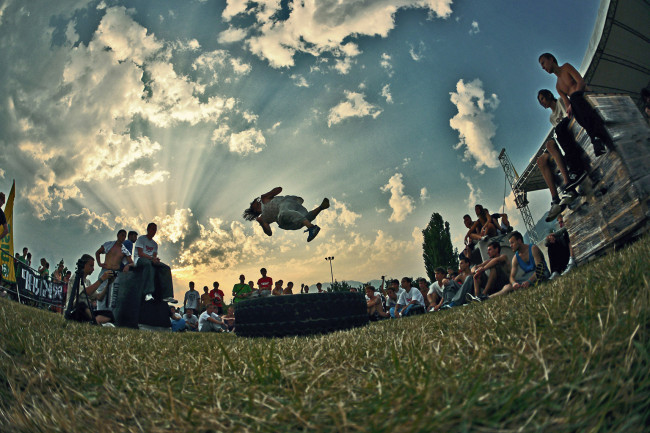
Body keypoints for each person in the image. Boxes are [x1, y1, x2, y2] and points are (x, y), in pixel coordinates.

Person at [539, 53, 613, 157]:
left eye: (543, 63)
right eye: (541, 66)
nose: (543, 67)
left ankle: (595, 137)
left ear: (551, 59)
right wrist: (569, 108)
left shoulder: (566, 67)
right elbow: (566, 102)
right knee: (565, 121)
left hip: (586, 96)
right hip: (577, 105)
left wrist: (573, 99)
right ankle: (593, 140)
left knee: (574, 98)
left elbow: (581, 82)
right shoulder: (558, 86)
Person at [537, 89, 588, 221]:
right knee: (541, 160)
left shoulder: (560, 102)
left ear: (548, 95)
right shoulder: (551, 118)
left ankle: (568, 184)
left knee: (550, 142)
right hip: (562, 141)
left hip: (570, 135)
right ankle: (554, 199)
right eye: (539, 101)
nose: (541, 102)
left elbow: (571, 118)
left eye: (542, 98)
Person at [243, 186, 330, 242]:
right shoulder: (263, 219)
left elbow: (279, 189)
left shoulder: (264, 199)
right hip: (290, 216)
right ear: (256, 211)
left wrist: (269, 194)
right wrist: (262, 224)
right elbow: (269, 233)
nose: (258, 204)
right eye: (256, 205)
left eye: (258, 203)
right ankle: (322, 207)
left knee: (283, 213)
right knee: (298, 222)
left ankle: (311, 228)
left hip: (287, 203)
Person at [490, 231, 550, 298]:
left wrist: (529, 281)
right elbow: (511, 277)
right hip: (528, 277)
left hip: (541, 275)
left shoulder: (533, 249)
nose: (510, 246)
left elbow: (540, 269)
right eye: (510, 243)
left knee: (539, 276)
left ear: (519, 241)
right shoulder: (515, 258)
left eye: (512, 243)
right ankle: (486, 298)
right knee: (507, 286)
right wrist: (514, 283)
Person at [65, 254, 116, 326]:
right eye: (91, 266)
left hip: (87, 312)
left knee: (109, 313)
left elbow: (99, 297)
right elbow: (87, 292)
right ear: (84, 265)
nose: (93, 269)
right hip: (74, 311)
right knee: (81, 305)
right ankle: (94, 321)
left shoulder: (88, 282)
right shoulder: (75, 278)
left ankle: (95, 321)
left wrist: (108, 284)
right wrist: (101, 279)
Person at [133, 223, 176, 303]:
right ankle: (148, 293)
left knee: (166, 268)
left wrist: (156, 260)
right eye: (152, 229)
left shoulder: (155, 244)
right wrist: (152, 258)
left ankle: (167, 295)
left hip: (150, 260)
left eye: (155, 230)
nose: (154, 231)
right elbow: (140, 253)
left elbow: (154, 256)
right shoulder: (141, 239)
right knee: (148, 264)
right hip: (140, 259)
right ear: (148, 229)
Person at [95, 229, 134, 313]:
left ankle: (108, 316)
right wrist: (99, 263)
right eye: (122, 235)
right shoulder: (109, 244)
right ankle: (99, 313)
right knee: (101, 292)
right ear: (118, 235)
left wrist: (127, 266)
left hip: (115, 273)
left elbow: (132, 263)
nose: (123, 237)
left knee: (112, 295)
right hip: (105, 270)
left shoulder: (124, 250)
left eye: (124, 236)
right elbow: (98, 252)